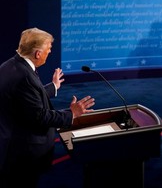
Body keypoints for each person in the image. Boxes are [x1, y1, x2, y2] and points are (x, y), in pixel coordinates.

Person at [0, 28, 96, 187]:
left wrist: (53, 87)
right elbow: (39, 116)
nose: (49, 52)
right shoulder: (25, 76)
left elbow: (26, 100)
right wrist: (71, 114)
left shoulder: (10, 65)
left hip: (10, 145)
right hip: (23, 154)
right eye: (48, 49)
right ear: (38, 53)